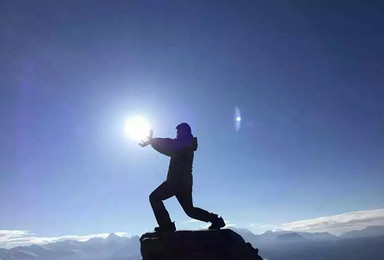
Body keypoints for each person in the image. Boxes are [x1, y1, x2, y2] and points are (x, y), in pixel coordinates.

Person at [139, 123, 225, 232]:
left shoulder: (184, 144)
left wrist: (152, 141)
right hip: (181, 182)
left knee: (155, 198)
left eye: (179, 132)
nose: (177, 134)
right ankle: (215, 220)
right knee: (190, 210)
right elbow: (168, 149)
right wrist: (152, 143)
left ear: (184, 132)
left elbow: (169, 144)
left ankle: (166, 226)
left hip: (177, 182)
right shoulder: (184, 145)